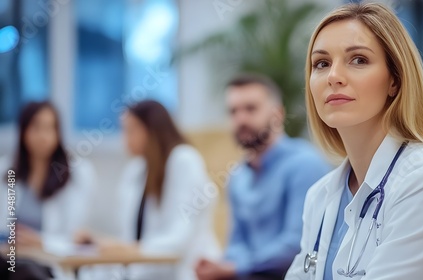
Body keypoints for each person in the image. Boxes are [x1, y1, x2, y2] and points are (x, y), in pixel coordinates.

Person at [285, 3, 423, 280]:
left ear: (395, 80)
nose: (333, 76)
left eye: (358, 60)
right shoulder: (320, 195)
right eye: (322, 63)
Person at [196, 74, 331, 280]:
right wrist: (226, 267)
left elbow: (298, 244)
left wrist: (235, 268)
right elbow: (236, 243)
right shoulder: (238, 176)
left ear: (277, 114)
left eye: (250, 109)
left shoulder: (305, 164)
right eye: (233, 112)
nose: (241, 119)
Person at [78, 100, 221, 280]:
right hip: (145, 271)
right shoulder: (137, 169)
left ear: (151, 130)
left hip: (186, 271)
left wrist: (130, 248)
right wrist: (98, 242)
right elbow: (131, 237)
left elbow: (178, 238)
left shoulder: (184, 160)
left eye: (131, 130)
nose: (125, 138)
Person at [0, 101, 95, 279]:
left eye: (50, 128)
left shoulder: (77, 175)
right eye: (36, 128)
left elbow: (76, 238)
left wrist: (41, 242)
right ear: (23, 131)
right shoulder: (6, 171)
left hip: (48, 266)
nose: (43, 136)